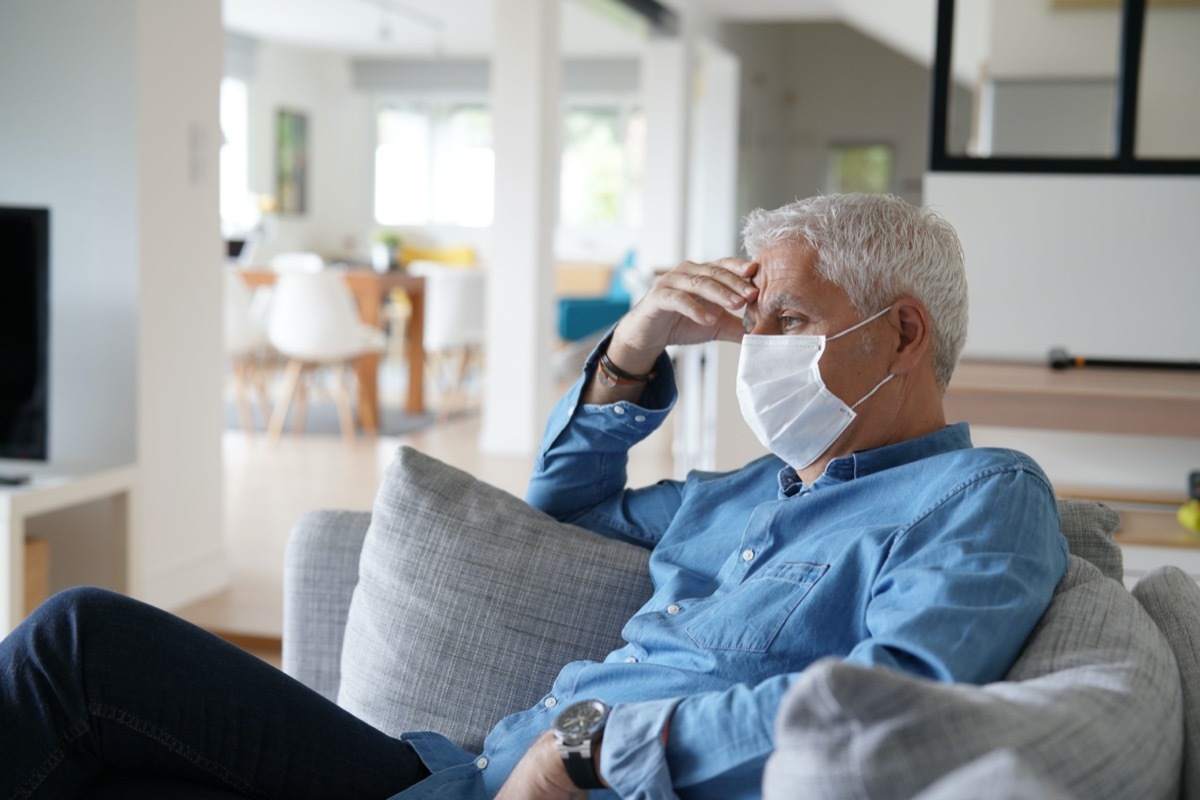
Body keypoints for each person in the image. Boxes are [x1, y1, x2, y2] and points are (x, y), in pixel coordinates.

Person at [0, 193, 1067, 799]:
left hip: (566, 789)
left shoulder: (981, 495)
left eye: (786, 321)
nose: (757, 355)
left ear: (904, 331)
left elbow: (889, 703)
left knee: (74, 652)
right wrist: (634, 345)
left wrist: (597, 742)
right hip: (451, 772)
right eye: (754, 326)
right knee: (89, 694)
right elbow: (558, 503)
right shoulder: (751, 489)